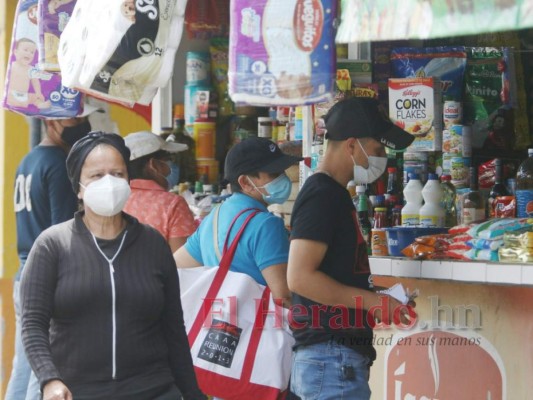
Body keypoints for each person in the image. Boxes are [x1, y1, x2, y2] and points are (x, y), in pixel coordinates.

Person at [20, 132, 206, 400]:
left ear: (128, 180)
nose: (109, 183)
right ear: (78, 186)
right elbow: (32, 324)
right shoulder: (52, 245)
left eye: (117, 174)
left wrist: (192, 393)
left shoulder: (152, 244)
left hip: (154, 390)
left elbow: (173, 328)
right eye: (97, 175)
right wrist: (49, 379)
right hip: (76, 392)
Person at [287, 97, 416, 400]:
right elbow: (300, 278)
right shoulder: (322, 195)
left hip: (334, 360)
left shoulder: (333, 194)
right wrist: (371, 302)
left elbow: (336, 274)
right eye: (378, 150)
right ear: (350, 145)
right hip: (330, 360)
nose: (382, 159)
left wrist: (383, 298)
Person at [6, 111, 95, 400]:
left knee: (24, 365)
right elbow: (63, 232)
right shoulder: (58, 164)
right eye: (74, 121)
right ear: (50, 121)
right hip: (46, 279)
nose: (81, 127)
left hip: (24, 277)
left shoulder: (27, 161)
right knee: (43, 371)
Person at [174, 136, 302, 309]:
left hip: (222, 325)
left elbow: (175, 265)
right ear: (245, 182)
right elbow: (284, 298)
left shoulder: (213, 218)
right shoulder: (266, 225)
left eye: (282, 171)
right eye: (273, 173)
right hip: (259, 329)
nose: (283, 178)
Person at [123, 130, 196, 252]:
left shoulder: (112, 200)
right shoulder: (173, 204)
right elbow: (185, 264)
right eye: (168, 159)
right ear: (154, 165)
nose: (171, 165)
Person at [6, 38, 50, 109]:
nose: (29, 53)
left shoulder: (31, 69)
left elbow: (35, 81)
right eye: (25, 50)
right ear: (15, 52)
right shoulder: (12, 66)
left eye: (32, 52)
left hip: (25, 96)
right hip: (12, 94)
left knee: (35, 97)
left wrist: (38, 93)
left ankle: (40, 104)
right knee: (7, 95)